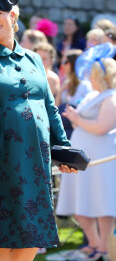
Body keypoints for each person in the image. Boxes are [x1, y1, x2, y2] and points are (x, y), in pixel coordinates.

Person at [0, 0, 76, 261]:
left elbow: (49, 107)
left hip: (37, 160)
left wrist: (62, 149)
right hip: (0, 160)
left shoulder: (35, 58)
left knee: (32, 234)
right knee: (0, 240)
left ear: (13, 16)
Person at [56, 58, 116, 260]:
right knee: (81, 203)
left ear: (101, 75)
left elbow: (102, 127)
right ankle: (93, 243)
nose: (88, 75)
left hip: (101, 158)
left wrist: (77, 118)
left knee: (102, 203)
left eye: (92, 72)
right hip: (82, 158)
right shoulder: (93, 94)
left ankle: (104, 247)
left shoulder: (111, 97)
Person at [55, 49, 92, 139]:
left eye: (65, 62)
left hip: (75, 131)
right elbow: (56, 106)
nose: (62, 65)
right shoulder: (66, 82)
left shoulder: (85, 84)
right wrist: (60, 91)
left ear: (74, 63)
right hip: (63, 130)